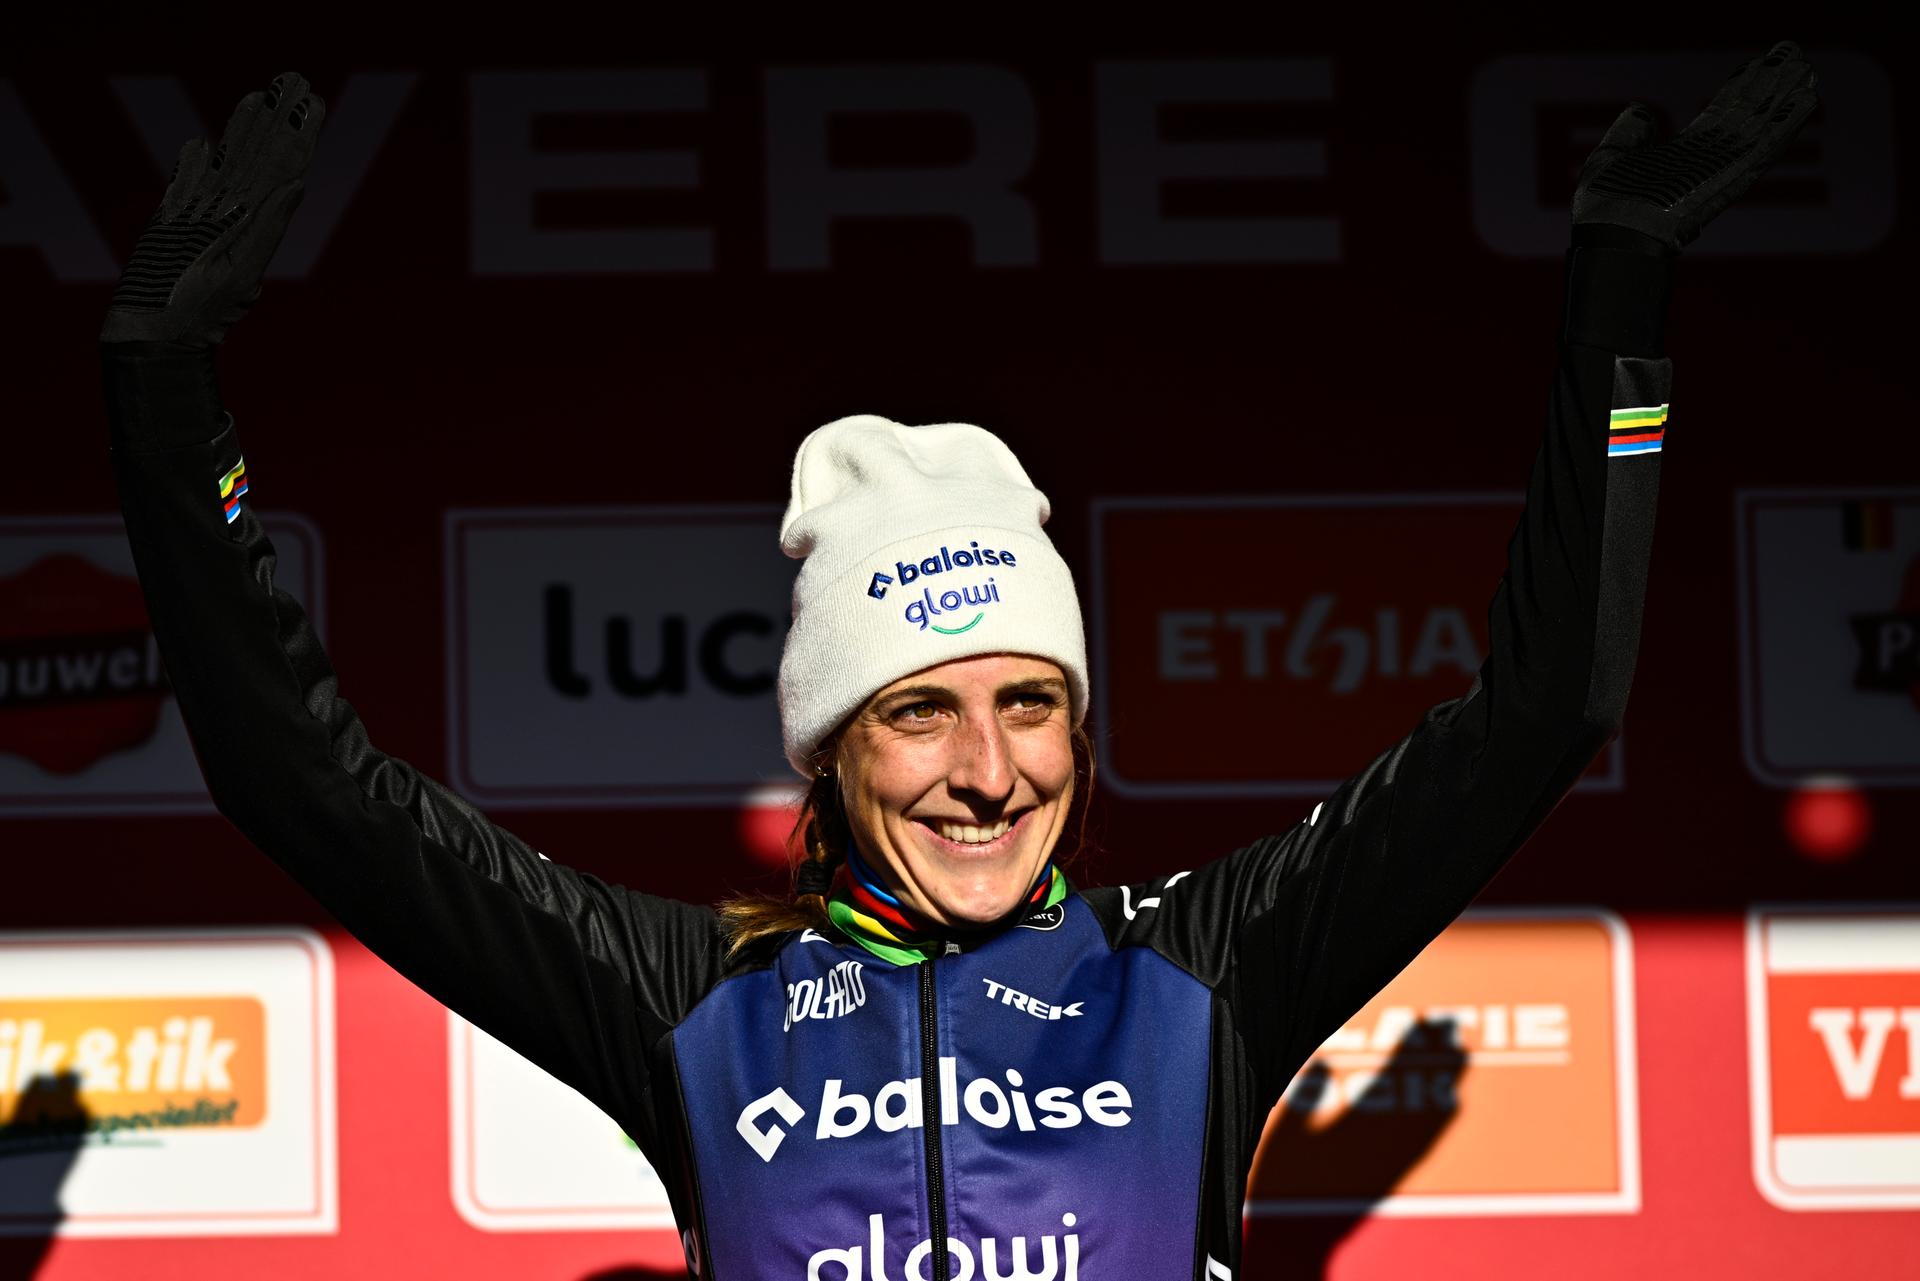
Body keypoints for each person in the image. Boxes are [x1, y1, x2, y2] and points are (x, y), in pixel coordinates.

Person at [99, 48, 1816, 1281]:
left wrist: (1622, 297)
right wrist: (168, 392)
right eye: (920, 709)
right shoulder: (696, 1005)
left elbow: (1548, 709)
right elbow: (303, 785)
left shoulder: (1200, 977)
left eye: (1031, 701)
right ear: (834, 749)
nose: (989, 769)